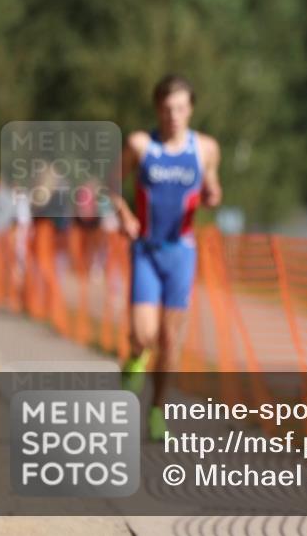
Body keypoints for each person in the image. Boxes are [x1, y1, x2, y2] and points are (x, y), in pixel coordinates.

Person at [113, 74, 222, 441]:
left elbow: (212, 186)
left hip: (182, 252)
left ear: (190, 109)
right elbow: (110, 183)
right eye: (166, 108)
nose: (173, 115)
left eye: (179, 108)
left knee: (170, 339)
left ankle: (158, 409)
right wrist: (125, 215)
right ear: (157, 108)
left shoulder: (205, 148)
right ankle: (135, 358)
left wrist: (212, 195)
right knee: (142, 333)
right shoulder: (141, 145)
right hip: (146, 248)